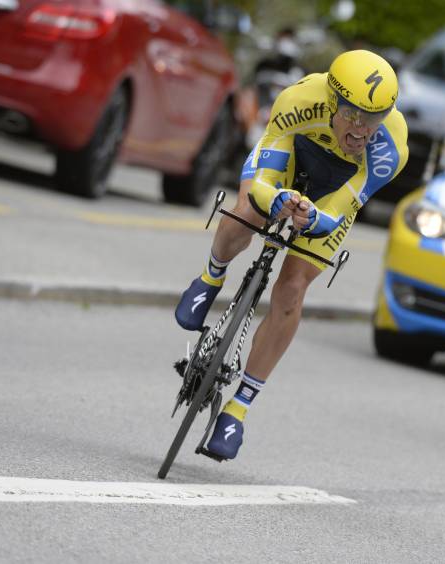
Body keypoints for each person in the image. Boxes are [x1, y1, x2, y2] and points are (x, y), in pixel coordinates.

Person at [175, 49, 409, 460]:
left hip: (336, 188)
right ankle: (211, 277)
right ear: (334, 101)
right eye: (353, 114)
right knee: (248, 211)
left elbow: (338, 212)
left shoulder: (391, 148)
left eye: (373, 119)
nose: (361, 129)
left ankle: (239, 409)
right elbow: (261, 181)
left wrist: (313, 216)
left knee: (294, 286)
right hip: (292, 158)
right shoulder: (299, 99)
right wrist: (277, 197)